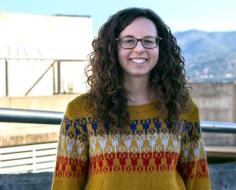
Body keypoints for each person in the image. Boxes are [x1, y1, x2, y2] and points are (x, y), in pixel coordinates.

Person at [51, 7, 211, 190]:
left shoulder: (183, 108)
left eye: (149, 41)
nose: (140, 49)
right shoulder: (80, 111)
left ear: (161, 48)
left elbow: (198, 180)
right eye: (129, 41)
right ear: (112, 47)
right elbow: (65, 184)